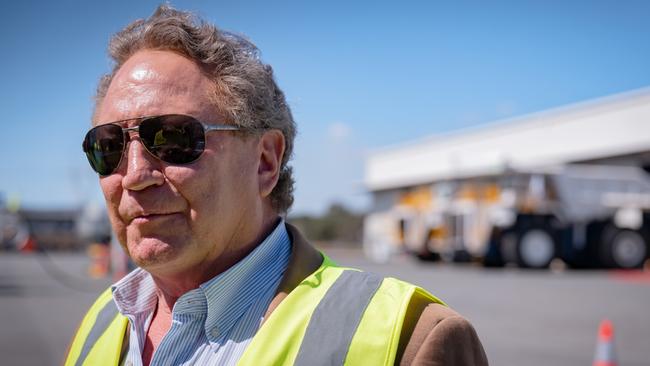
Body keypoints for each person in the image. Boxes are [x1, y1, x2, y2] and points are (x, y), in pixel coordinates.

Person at [65, 5, 488, 366]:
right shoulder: (100, 323)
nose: (135, 174)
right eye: (108, 146)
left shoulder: (409, 339)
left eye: (173, 138)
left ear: (265, 162)